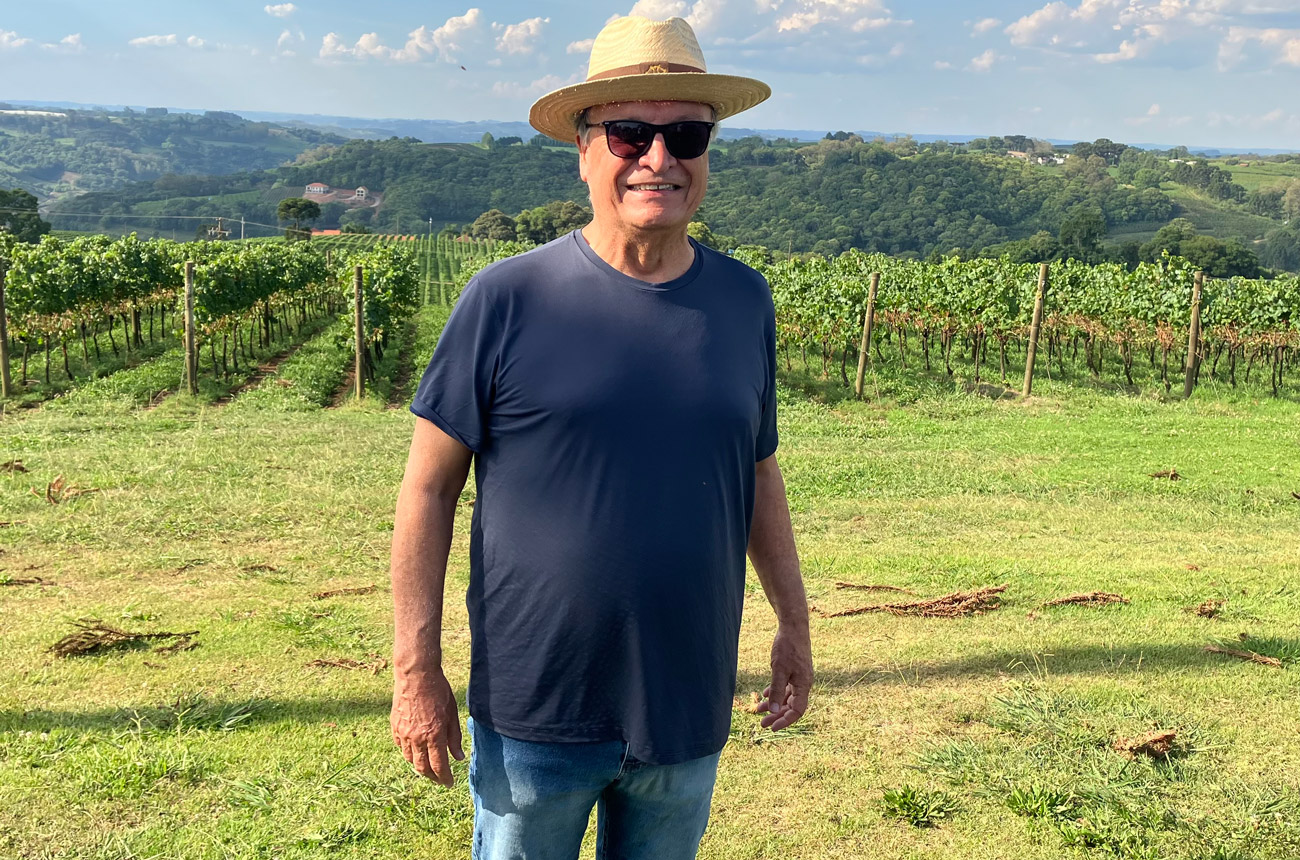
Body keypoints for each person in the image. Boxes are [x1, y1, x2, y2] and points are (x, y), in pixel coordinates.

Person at [390, 15, 812, 860]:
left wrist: (794, 624)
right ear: (584, 149)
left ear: (707, 152)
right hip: (536, 707)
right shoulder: (506, 298)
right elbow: (428, 490)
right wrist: (416, 672)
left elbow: (757, 472)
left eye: (687, 133)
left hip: (688, 702)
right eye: (630, 133)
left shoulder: (743, 302)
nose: (659, 157)